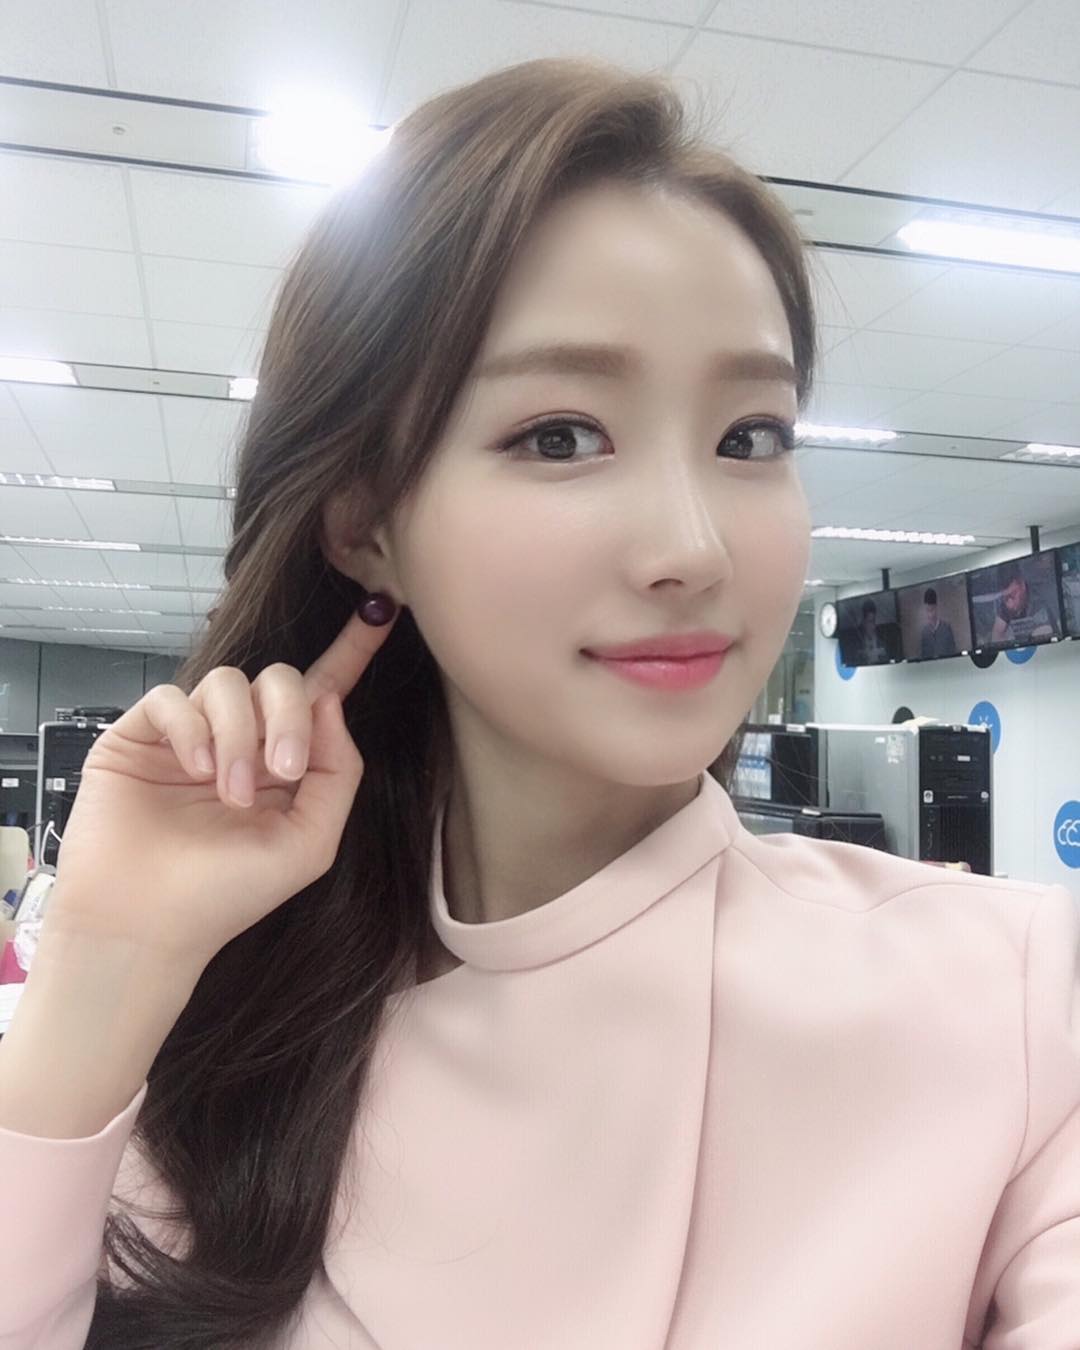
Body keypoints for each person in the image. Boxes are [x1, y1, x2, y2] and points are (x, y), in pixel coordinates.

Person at [1, 57, 1078, 1350]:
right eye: (560, 435)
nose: (691, 548)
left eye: (750, 437)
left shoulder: (1020, 1005)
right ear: (366, 524)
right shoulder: (218, 1047)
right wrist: (105, 968)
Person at [989, 560, 1059, 645]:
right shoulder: (1005, 603)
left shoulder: (1038, 602)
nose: (1009, 603)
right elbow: (996, 636)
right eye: (1005, 597)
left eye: (1013, 595)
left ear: (1022, 585)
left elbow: (1045, 633)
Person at [918, 586, 957, 659]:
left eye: (932, 610)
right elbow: (923, 656)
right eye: (927, 610)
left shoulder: (946, 628)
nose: (930, 615)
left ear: (936, 608)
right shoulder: (924, 632)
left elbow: (953, 652)